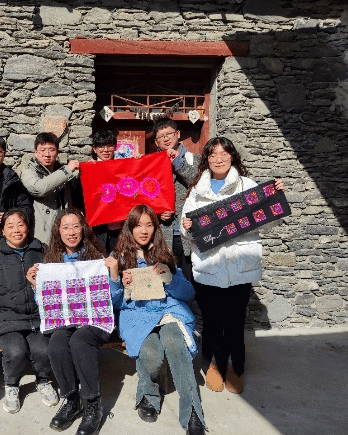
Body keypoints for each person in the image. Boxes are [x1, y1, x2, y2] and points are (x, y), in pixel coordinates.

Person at [180, 137, 285, 394]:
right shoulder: (197, 189)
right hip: (209, 266)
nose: (218, 159)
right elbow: (186, 228)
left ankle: (235, 368)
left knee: (235, 321)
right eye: (213, 154)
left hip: (240, 266)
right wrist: (187, 227)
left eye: (223, 154)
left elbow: (270, 221)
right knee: (212, 322)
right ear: (206, 159)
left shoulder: (247, 186)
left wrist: (275, 197)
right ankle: (213, 365)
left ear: (232, 156)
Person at [112, 204, 206, 435]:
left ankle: (192, 411)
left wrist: (170, 278)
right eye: (138, 225)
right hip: (138, 316)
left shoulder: (164, 256)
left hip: (168, 312)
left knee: (174, 342)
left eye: (149, 225)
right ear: (129, 228)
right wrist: (118, 283)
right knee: (152, 355)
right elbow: (115, 303)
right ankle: (148, 393)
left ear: (155, 228)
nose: (143, 231)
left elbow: (188, 293)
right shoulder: (119, 259)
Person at [26, 209, 121, 435]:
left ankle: (93, 404)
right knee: (57, 343)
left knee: (80, 340)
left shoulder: (97, 259)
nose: (71, 232)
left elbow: (114, 301)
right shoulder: (52, 263)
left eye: (76, 226)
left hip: (95, 320)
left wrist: (114, 276)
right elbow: (46, 303)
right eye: (65, 227)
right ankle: (71, 399)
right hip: (66, 321)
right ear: (58, 232)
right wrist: (36, 285)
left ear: (83, 229)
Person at [0, 208, 58, 414]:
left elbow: (53, 285)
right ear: (3, 231)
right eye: (10, 226)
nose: (16, 230)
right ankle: (11, 384)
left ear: (28, 227)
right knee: (16, 351)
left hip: (37, 316)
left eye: (21, 224)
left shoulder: (41, 250)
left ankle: (43, 380)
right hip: (6, 318)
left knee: (43, 350)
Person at [153, 119, 199, 283]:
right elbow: (143, 196)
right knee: (165, 284)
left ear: (178, 134)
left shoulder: (194, 159)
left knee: (191, 284)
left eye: (169, 134)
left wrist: (178, 162)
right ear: (156, 141)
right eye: (161, 136)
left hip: (188, 233)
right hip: (162, 234)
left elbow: (198, 183)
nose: (166, 138)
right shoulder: (151, 163)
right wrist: (156, 213)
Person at [21, 132, 80, 245]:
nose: (47, 154)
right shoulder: (28, 171)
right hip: (41, 235)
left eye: (51, 150)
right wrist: (67, 170)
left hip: (64, 232)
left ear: (57, 152)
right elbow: (39, 189)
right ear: (35, 152)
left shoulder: (64, 172)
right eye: (42, 150)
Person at [90, 130, 122, 253]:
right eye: (101, 146)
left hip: (119, 226)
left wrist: (137, 161)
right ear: (94, 149)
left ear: (115, 147)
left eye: (109, 145)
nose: (105, 150)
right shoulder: (88, 169)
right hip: (98, 229)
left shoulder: (122, 167)